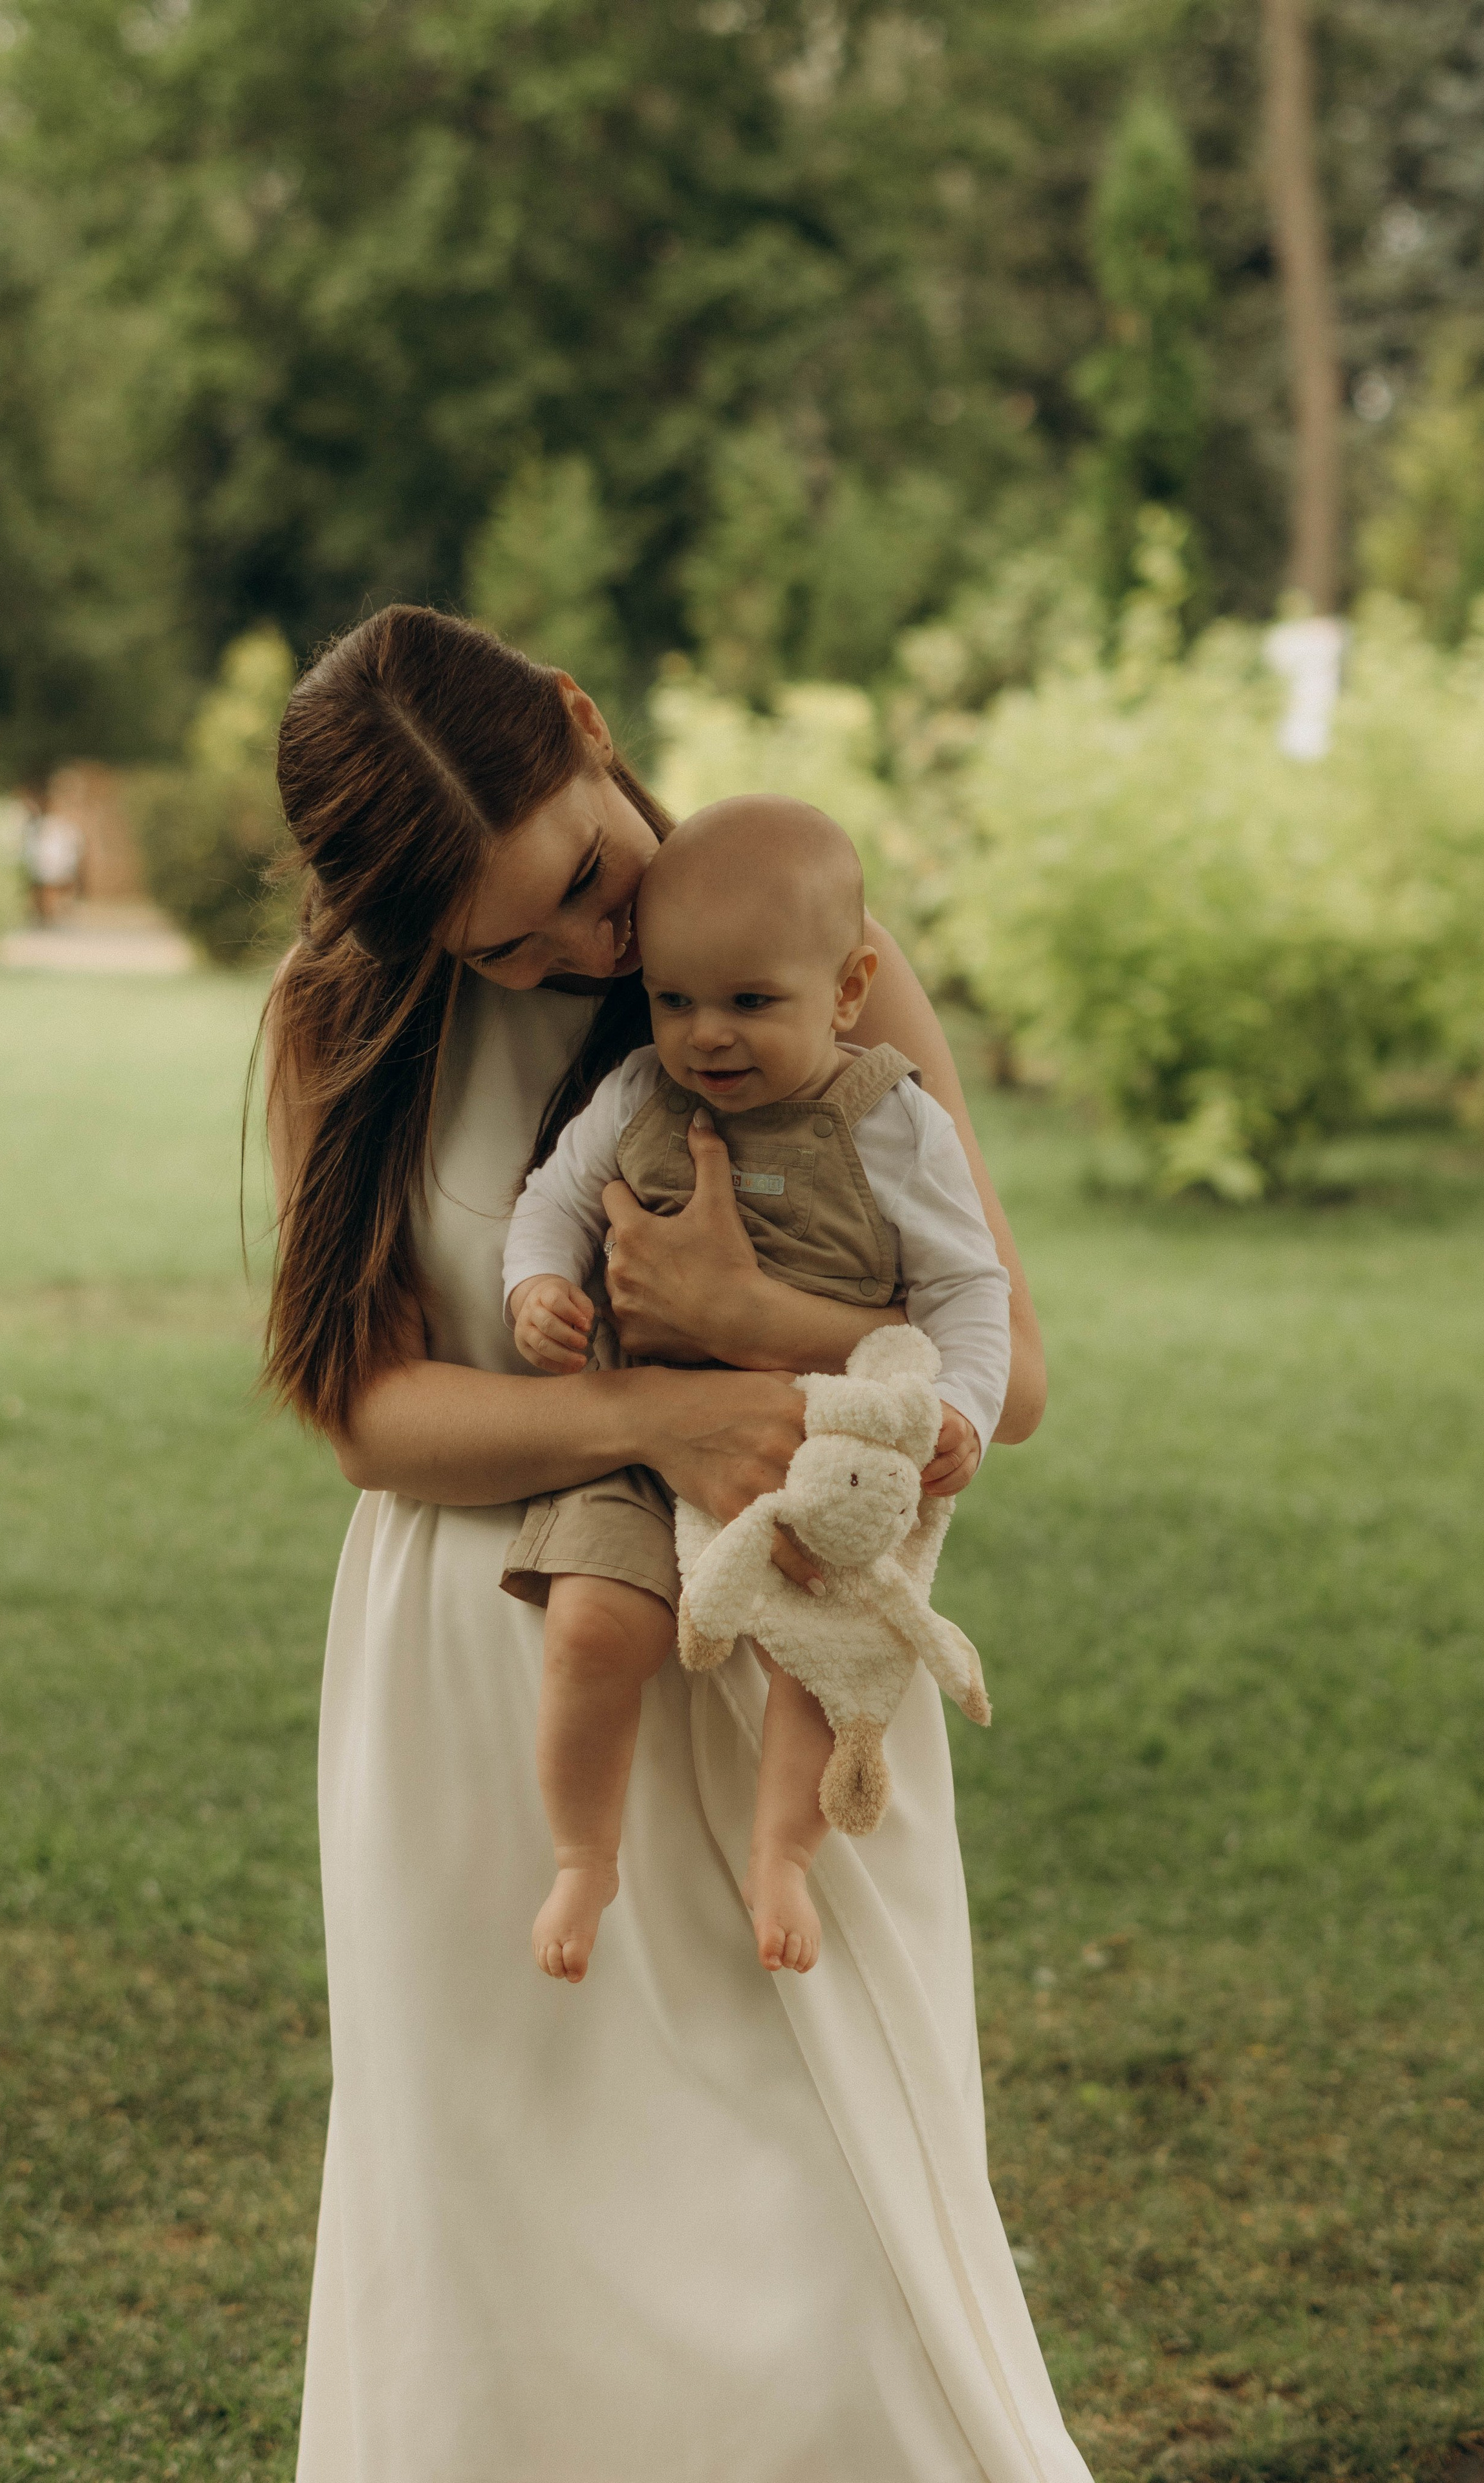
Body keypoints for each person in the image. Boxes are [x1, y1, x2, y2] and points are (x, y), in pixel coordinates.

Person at [266, 605, 1091, 2483]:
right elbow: (370, 1417)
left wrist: (755, 1320)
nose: (587, 954)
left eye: (578, 881)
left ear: (582, 723)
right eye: (510, 946)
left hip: (784, 1643)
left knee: (827, 2264)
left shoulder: (794, 941)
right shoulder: (354, 1022)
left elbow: (1013, 1377)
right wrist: (648, 1411)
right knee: (515, 2262)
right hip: (499, 1664)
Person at [500, 797, 1012, 1984]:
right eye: (674, 1001)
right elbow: (552, 1202)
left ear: (847, 990)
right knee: (589, 1622)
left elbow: (971, 1293)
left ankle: (782, 1849)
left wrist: (963, 1414)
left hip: (812, 1447)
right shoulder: (634, 1096)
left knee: (824, 1654)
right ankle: (584, 1854)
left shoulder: (891, 1124)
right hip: (643, 1434)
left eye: (749, 1003)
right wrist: (536, 1287)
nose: (706, 1038)